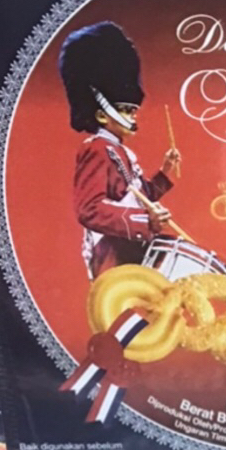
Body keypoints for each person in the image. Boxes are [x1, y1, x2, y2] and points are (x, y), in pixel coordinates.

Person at [59, 21, 181, 279]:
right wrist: (145, 220)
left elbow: (138, 195)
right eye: (126, 110)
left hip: (129, 244)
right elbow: (89, 209)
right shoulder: (96, 150)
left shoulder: (118, 151)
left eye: (133, 110)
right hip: (112, 250)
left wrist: (165, 173)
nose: (133, 116)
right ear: (102, 115)